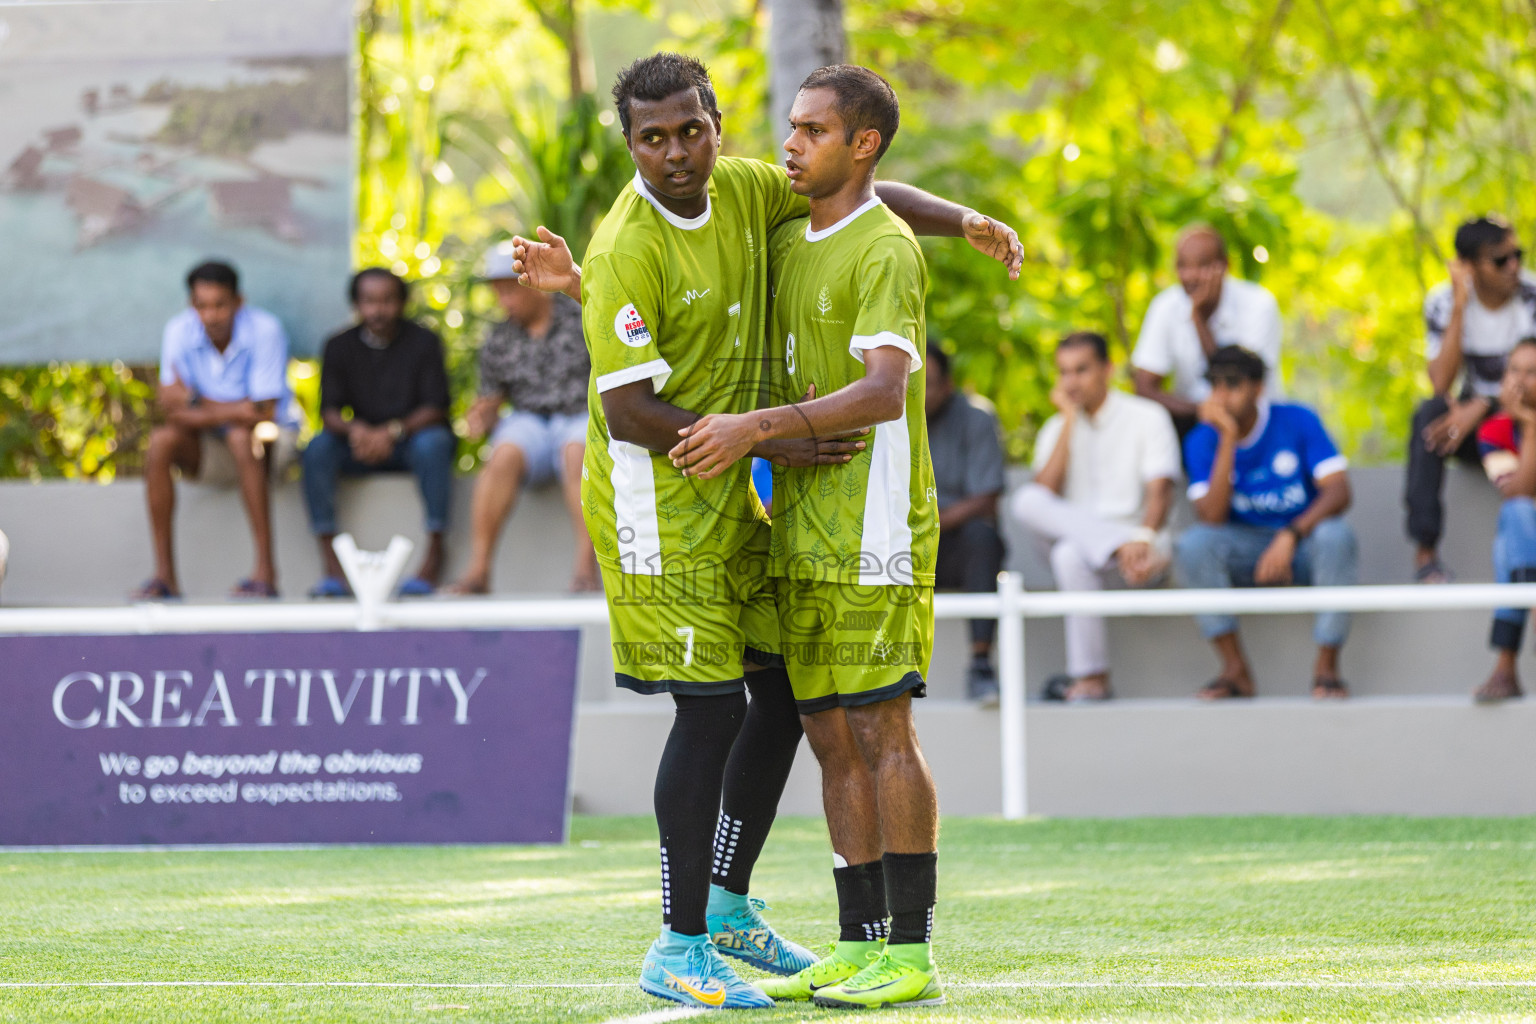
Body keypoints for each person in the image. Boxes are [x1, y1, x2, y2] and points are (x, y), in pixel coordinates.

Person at [512, 53, 1020, 1012]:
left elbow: (865, 195)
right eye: (652, 139)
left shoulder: (749, 188)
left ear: (715, 124)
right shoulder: (628, 239)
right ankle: (680, 939)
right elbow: (628, 413)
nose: (676, 154)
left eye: (691, 130)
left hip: (750, 494)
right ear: (629, 146)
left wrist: (964, 222)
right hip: (659, 506)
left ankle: (732, 901)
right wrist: (766, 438)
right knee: (709, 710)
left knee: (783, 695)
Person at [672, 64, 947, 1010]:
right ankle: (859, 940)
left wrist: (757, 427)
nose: (789, 144)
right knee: (829, 735)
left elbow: (883, 391)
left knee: (883, 732)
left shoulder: (885, 248)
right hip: (796, 525)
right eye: (791, 128)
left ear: (862, 145)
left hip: (874, 529)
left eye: (814, 131)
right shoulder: (791, 236)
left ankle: (910, 954)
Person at [1174, 346, 1356, 700]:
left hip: (1301, 545)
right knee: (1194, 544)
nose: (1222, 395)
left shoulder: (1297, 419)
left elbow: (1339, 492)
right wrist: (1227, 438)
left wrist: (1290, 535)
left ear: (1258, 388)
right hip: (1246, 550)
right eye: (1215, 385)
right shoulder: (1202, 439)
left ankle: (1327, 669)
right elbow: (1211, 518)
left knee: (1336, 535)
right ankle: (1235, 670)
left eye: (1233, 384)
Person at [1011, 331, 1180, 702]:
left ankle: (1090, 679)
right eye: (1064, 372)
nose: (1071, 381)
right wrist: (1070, 421)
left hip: (1146, 547)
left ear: (1108, 369)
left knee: (1068, 553)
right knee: (1029, 505)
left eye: (1081, 370)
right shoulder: (1057, 427)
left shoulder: (1147, 417)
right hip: (1096, 551)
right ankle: (1093, 680)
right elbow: (1043, 494)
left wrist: (1142, 538)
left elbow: (1161, 491)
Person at [134, 260, 299, 600]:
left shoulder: (265, 329)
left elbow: (263, 414)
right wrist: (235, 408)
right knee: (161, 441)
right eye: (202, 306)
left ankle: (265, 574)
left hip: (268, 445)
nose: (211, 315)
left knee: (242, 438)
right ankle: (165, 578)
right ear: (191, 305)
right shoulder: (178, 330)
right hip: (211, 447)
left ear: (239, 302)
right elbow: (173, 412)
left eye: (220, 305)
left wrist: (195, 401)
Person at [444, 242, 597, 595]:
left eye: (510, 289)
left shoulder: (579, 315)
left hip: (581, 415)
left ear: (532, 280)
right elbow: (492, 399)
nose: (504, 300)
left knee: (578, 453)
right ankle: (479, 571)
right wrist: (482, 416)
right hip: (530, 420)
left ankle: (585, 571)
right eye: (497, 292)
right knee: (502, 455)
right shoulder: (499, 338)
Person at [302, 269, 454, 597]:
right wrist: (356, 430)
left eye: (387, 301)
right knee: (317, 450)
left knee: (435, 443)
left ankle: (435, 552)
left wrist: (392, 432)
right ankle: (331, 566)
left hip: (410, 443)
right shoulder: (338, 345)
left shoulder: (424, 342)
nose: (378, 310)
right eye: (369, 301)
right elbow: (328, 411)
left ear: (401, 303)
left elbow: (437, 406)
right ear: (356, 304)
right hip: (357, 445)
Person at [1406, 217, 1536, 583]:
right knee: (1429, 418)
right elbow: (1440, 382)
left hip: (1526, 420)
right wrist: (1460, 305)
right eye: (1500, 260)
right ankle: (1426, 552)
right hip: (1475, 425)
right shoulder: (1443, 302)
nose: (1514, 266)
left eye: (1518, 255)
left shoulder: (1532, 297)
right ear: (1469, 266)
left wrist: (1482, 404)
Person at [1131, 224, 1283, 439]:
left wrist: (1198, 319)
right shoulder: (1165, 306)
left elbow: (1238, 385)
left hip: (1257, 429)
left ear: (1225, 265)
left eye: (1203, 266)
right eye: (1183, 266)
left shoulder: (1259, 305)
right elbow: (1144, 387)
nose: (1191, 276)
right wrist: (1199, 410)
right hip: (1197, 427)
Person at [924, 344, 1007, 702]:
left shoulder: (976, 417)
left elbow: (986, 498)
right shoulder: (884, 417)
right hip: (899, 547)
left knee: (982, 537)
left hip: (954, 548)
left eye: (925, 382)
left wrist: (924, 525)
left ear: (947, 385)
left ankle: (981, 666)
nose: (915, 391)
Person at [1470, 336, 1536, 701]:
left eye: (1532, 372)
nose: (1520, 381)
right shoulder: (1493, 431)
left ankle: (1505, 668)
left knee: (1511, 540)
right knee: (1516, 517)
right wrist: (1529, 427)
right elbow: (1519, 492)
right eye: (1514, 370)